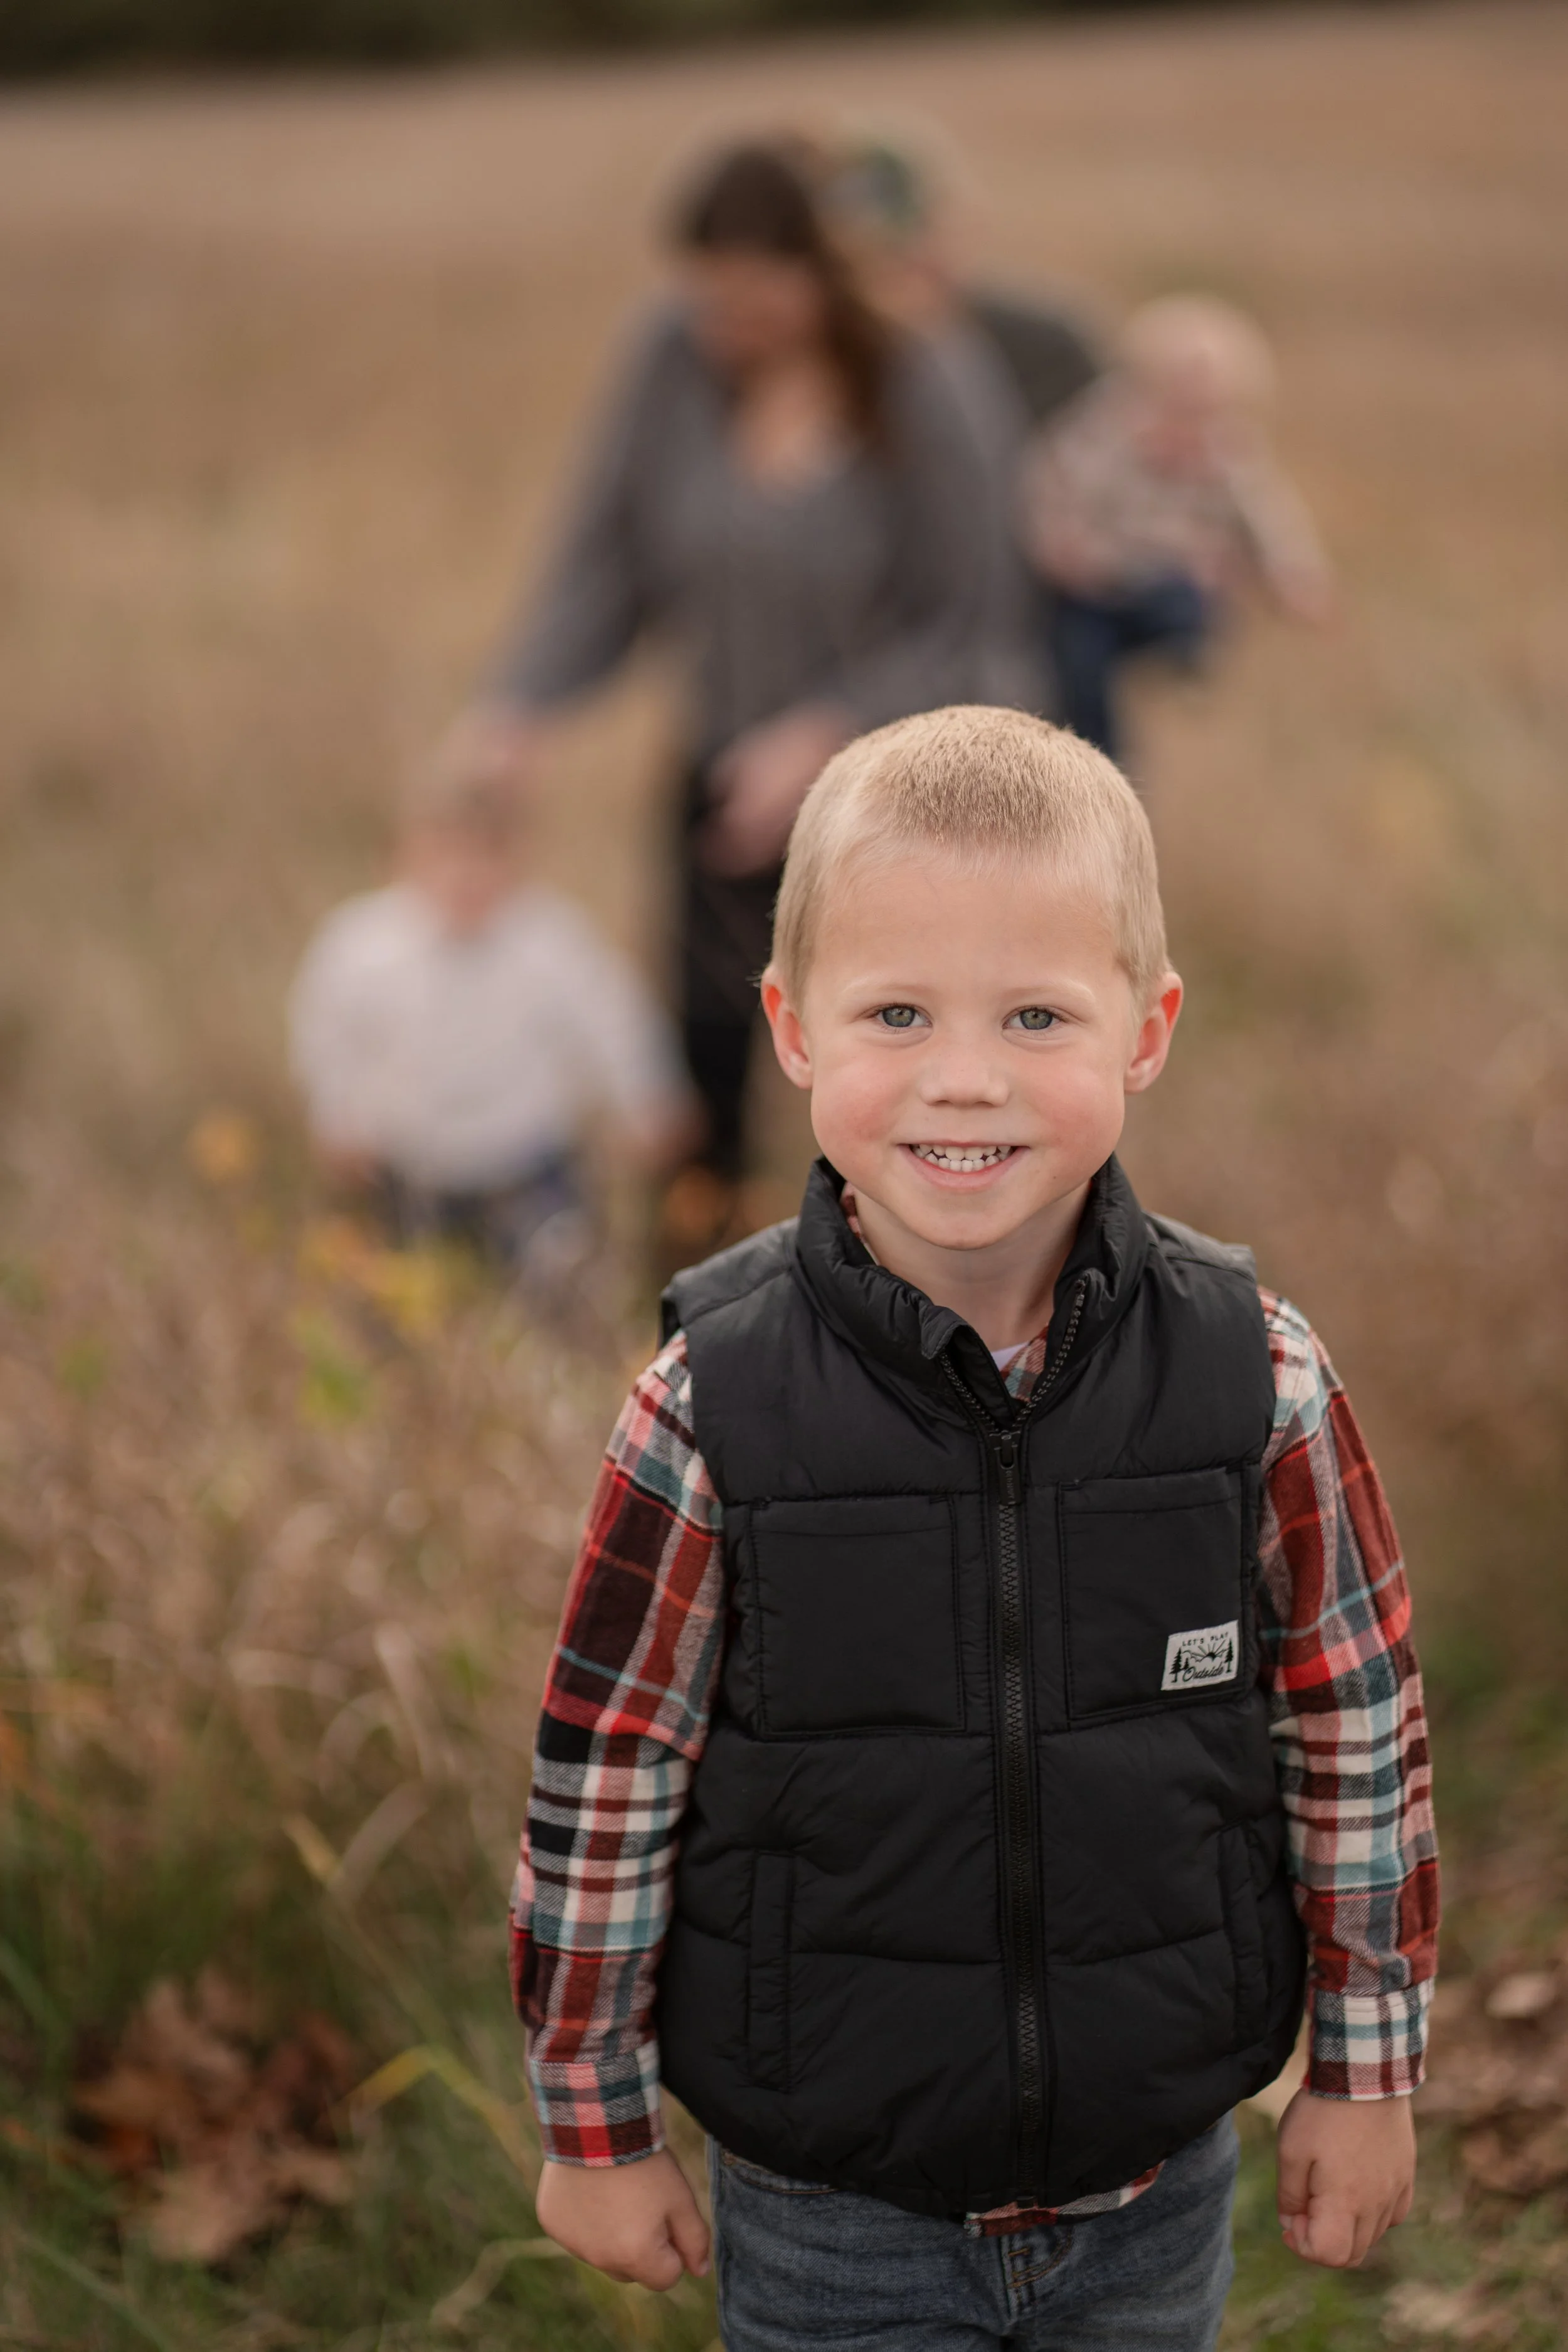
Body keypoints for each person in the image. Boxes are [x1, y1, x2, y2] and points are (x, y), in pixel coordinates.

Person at [509, 704, 1439, 2349]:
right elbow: (607, 1766)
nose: (962, 1072)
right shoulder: (707, 1403)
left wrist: (1363, 2072)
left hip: (1150, 2184)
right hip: (828, 2201)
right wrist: (594, 2116)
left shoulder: (1254, 1375)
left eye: (1033, 1012)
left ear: (1143, 1029)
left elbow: (1354, 1733)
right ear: (790, 1025)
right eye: (895, 1010)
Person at [447, 138, 1000, 1218]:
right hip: (722, 777)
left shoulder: (923, 379)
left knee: (884, 1078)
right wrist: (517, 707)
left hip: (900, 802)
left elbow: (973, 622)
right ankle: (698, 1308)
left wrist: (826, 737)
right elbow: (603, 552)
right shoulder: (671, 359)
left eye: (753, 299)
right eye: (706, 298)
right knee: (701, 1044)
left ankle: (894, 1313)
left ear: (821, 272)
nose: (724, 326)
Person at [288, 765, 691, 1292]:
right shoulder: (360, 946)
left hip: (529, 1159)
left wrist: (649, 1099)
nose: (465, 876)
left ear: (516, 858)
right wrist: (335, 1117)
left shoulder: (551, 942)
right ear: (401, 858)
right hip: (409, 1164)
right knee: (403, 1290)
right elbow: (325, 1036)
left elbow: (615, 1020)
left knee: (560, 1276)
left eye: (484, 856)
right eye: (444, 856)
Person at [822, 130, 1103, 716]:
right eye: (882, 251)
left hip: (1046, 648)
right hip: (876, 665)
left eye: (921, 234)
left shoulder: (1047, 344)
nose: (909, 264)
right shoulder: (819, 362)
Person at [1022, 295, 1334, 761]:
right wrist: (1063, 547)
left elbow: (1267, 517)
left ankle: (1190, 659)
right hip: (1098, 583)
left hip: (1172, 578)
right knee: (1080, 660)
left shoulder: (1227, 451)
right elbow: (1056, 484)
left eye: (1206, 406)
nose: (1190, 419)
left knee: (1188, 603)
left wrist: (1296, 576)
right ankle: (1101, 754)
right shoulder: (1105, 431)